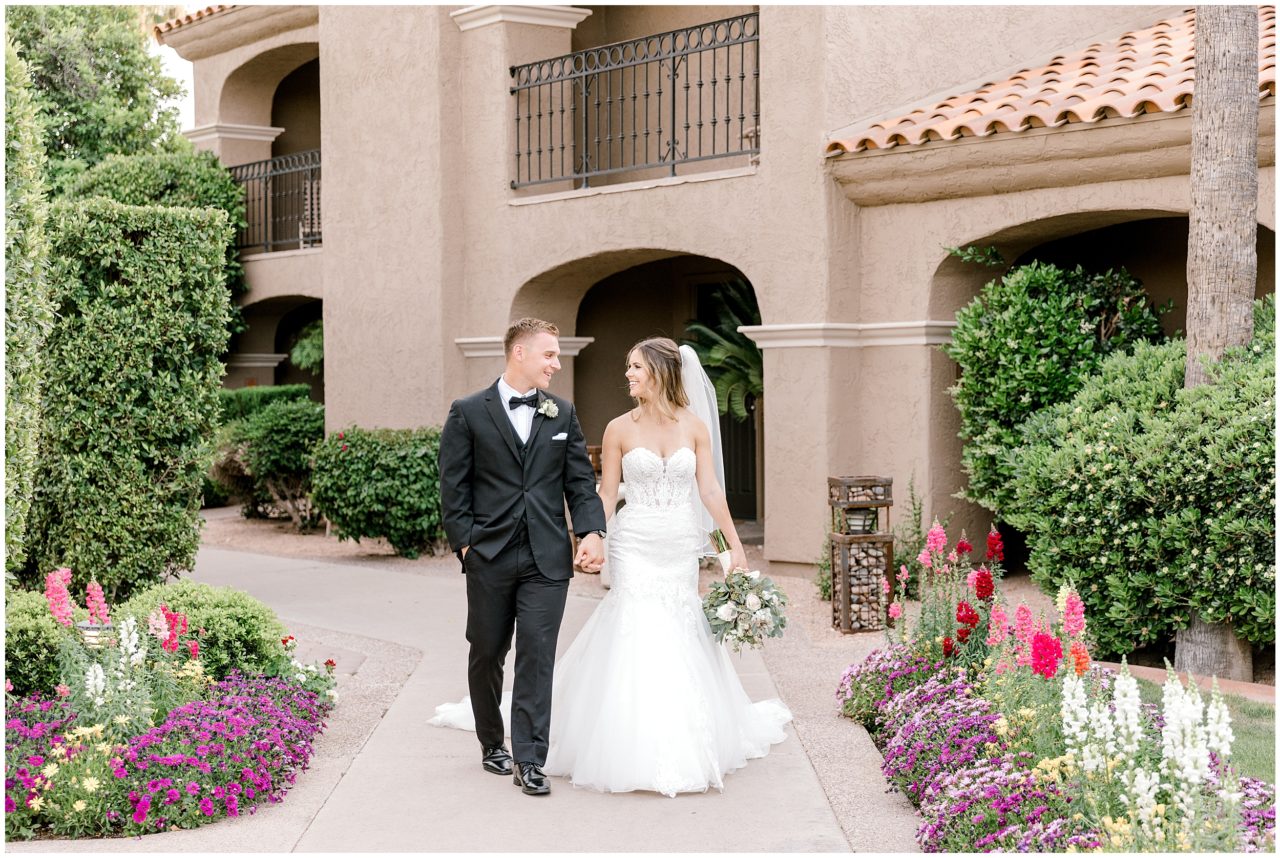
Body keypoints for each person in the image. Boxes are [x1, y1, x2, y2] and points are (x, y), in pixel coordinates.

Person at [433, 335, 791, 798]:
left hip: (679, 548)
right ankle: (506, 739)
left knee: (593, 646)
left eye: (635, 367)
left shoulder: (695, 428)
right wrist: (594, 536)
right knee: (503, 647)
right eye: (629, 366)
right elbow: (600, 493)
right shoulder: (619, 427)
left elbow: (711, 495)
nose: (627, 374)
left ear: (660, 372)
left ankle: (538, 757)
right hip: (635, 545)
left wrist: (731, 551)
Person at [437, 317, 607, 797]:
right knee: (488, 650)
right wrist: (467, 544)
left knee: (537, 654)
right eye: (549, 354)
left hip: (547, 557)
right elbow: (453, 487)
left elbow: (578, 480)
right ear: (520, 354)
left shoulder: (562, 413)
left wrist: (592, 531)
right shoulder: (468, 412)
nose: (556, 362)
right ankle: (492, 741)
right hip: (489, 554)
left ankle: (530, 759)